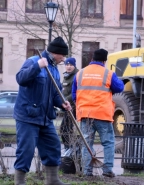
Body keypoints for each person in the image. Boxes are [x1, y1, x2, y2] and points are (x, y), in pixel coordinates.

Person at [13, 36, 72, 185]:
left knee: (53, 146)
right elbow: (20, 79)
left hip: (45, 117)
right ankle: (19, 181)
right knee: (26, 150)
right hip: (28, 116)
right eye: (63, 55)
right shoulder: (33, 61)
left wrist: (62, 103)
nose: (64, 59)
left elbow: (55, 92)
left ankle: (52, 180)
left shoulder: (54, 69)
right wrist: (37, 67)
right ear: (55, 53)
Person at [72, 48, 124, 177]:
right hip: (102, 114)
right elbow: (119, 87)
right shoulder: (108, 73)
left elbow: (74, 95)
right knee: (108, 142)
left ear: (91, 59)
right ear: (104, 61)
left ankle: (86, 171)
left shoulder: (80, 73)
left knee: (87, 143)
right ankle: (107, 170)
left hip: (85, 114)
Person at [60, 57, 79, 151]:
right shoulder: (66, 76)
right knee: (65, 129)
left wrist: (64, 100)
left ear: (74, 66)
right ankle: (69, 149)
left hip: (74, 107)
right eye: (67, 65)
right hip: (67, 106)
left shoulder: (76, 75)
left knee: (65, 129)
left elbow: (76, 92)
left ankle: (70, 149)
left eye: (71, 65)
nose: (69, 67)